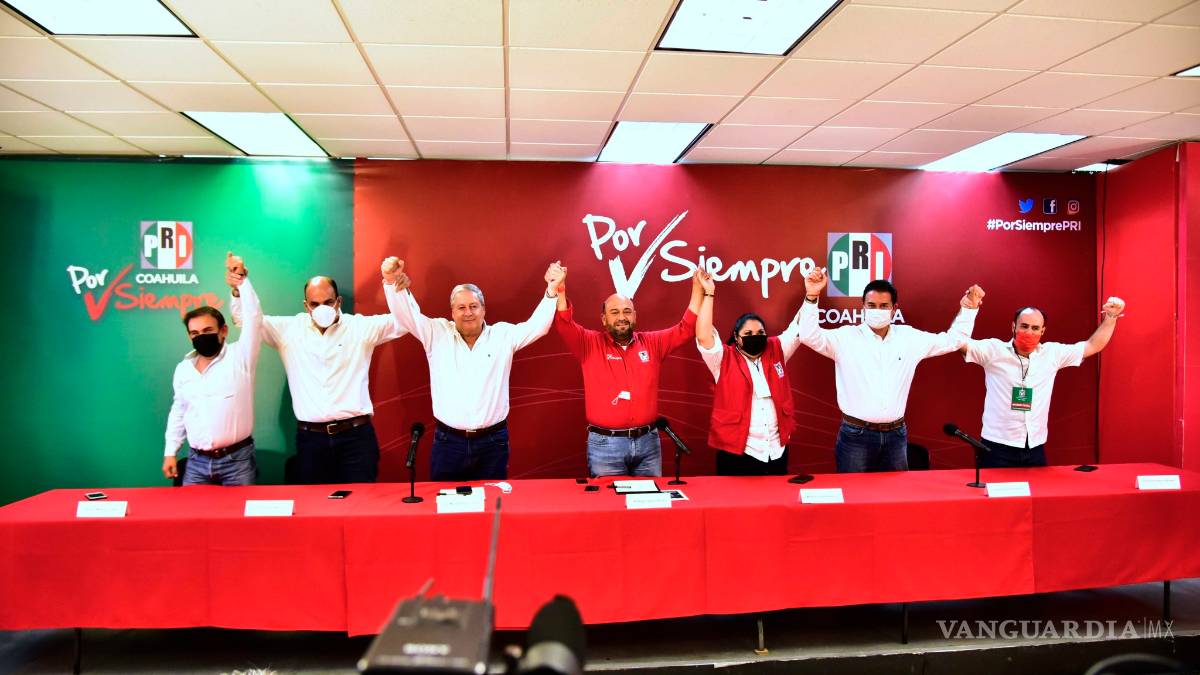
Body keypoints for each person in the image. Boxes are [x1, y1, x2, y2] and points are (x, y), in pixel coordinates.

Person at [382, 257, 565, 481]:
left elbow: (537, 327)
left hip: (493, 442)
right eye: (461, 307)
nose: (468, 312)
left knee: (492, 502)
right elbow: (407, 316)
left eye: (473, 306)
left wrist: (552, 290)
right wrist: (391, 281)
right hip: (448, 443)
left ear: (483, 310)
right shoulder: (436, 333)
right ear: (452, 312)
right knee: (445, 501)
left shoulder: (502, 335)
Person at [229, 261, 407, 484]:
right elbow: (246, 320)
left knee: (360, 500)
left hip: (356, 438)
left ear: (338, 302)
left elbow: (403, 322)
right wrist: (240, 289)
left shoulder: (360, 328)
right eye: (315, 304)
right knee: (313, 503)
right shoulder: (288, 330)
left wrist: (391, 284)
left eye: (328, 302)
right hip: (310, 439)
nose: (322, 308)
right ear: (306, 306)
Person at [799, 268, 984, 472]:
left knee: (896, 492)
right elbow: (808, 336)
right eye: (871, 305)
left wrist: (969, 309)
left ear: (894, 309)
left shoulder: (909, 338)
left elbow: (953, 341)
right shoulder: (845, 338)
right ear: (863, 307)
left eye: (883, 306)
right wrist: (812, 295)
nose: (877, 310)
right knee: (853, 491)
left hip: (896, 435)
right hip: (855, 436)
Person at [552, 268, 704, 477]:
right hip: (606, 446)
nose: (622, 317)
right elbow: (564, 324)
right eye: (614, 312)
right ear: (604, 319)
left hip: (648, 444)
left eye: (627, 311)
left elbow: (685, 329)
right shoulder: (588, 344)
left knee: (650, 499)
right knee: (608, 499)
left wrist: (698, 289)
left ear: (635, 317)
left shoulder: (652, 344)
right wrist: (560, 288)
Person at [962, 298, 1126, 467]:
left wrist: (1111, 317)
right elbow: (959, 343)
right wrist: (968, 309)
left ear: (1043, 331)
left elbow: (1092, 346)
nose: (1029, 332)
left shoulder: (1052, 354)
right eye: (1024, 326)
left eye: (1035, 328)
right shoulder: (993, 351)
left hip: (1035, 447)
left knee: (1038, 486)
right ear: (1013, 327)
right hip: (996, 446)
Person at [164, 253, 262, 485]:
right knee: (192, 511)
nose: (201, 337)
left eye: (208, 330)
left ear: (223, 331)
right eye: (194, 333)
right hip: (196, 463)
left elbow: (254, 318)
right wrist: (170, 451)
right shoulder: (183, 369)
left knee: (240, 511)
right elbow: (179, 411)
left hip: (237, 462)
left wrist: (240, 282)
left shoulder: (241, 356)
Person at [694, 270, 805, 476]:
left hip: (776, 451)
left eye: (760, 333)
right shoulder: (722, 358)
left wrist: (812, 296)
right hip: (738, 453)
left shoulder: (777, 349)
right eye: (748, 334)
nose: (756, 337)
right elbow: (703, 335)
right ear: (737, 337)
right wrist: (708, 293)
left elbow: (799, 326)